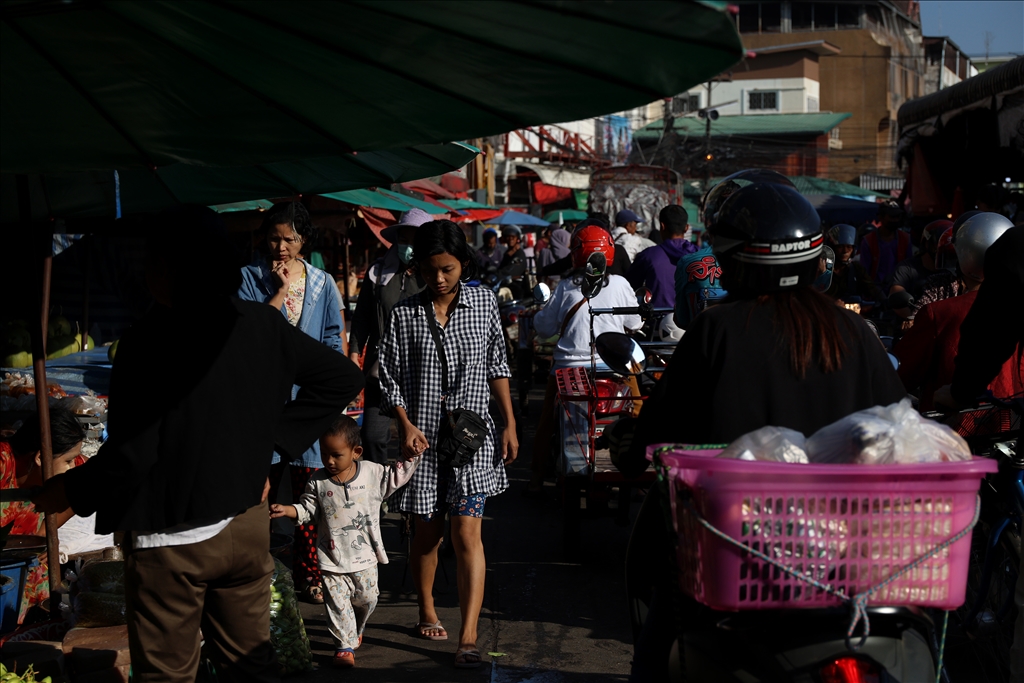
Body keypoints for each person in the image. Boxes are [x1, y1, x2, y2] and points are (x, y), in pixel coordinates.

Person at [33, 206, 363, 683]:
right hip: (246, 526)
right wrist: (270, 442)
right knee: (251, 669)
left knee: (169, 676)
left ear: (168, 268)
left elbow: (134, 453)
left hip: (172, 540)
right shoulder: (261, 325)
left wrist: (68, 492)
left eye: (149, 261)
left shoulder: (149, 342)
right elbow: (341, 378)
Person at [623, 182, 905, 682]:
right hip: (845, 560)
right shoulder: (856, 333)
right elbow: (895, 432)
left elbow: (657, 431)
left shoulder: (716, 330)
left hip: (735, 550)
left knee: (655, 647)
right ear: (817, 257)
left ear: (734, 261)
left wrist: (629, 448)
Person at [378, 219, 517, 669]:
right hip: (423, 443)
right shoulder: (405, 313)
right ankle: (426, 608)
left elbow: (498, 362)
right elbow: (387, 374)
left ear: (464, 264)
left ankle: (470, 635)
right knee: (427, 534)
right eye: (431, 270)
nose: (438, 278)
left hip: (472, 440)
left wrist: (510, 422)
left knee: (467, 532)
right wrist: (404, 424)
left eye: (448, 269)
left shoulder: (483, 304)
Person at [237, 200, 347, 604]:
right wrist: (280, 291)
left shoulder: (322, 282)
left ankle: (309, 575)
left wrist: (327, 393)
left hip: (308, 402)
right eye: (274, 238)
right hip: (266, 398)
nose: (281, 247)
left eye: (290, 239)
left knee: (309, 495)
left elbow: (334, 339)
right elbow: (252, 330)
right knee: (261, 489)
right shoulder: (251, 278)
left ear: (303, 241)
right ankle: (255, 576)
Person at [270, 414, 419, 668]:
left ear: (356, 451)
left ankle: (355, 629)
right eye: (325, 453)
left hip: (365, 558)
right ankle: (344, 646)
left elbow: (397, 475)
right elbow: (308, 509)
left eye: (336, 455)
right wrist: (289, 510)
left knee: (368, 599)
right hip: (332, 559)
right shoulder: (318, 481)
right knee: (337, 605)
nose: (329, 460)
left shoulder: (372, 473)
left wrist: (412, 455)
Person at [525, 222, 642, 496]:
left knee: (547, 423)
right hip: (614, 368)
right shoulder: (621, 283)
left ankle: (536, 479)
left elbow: (543, 328)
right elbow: (635, 323)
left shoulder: (566, 286)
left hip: (568, 369)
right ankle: (637, 470)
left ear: (576, 252)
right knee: (638, 411)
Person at [893, 213, 1019, 409]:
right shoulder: (1015, 305)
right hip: (1010, 422)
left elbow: (899, 377)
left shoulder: (939, 313)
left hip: (953, 428)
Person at [349, 208, 433, 466]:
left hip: (422, 371)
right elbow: (362, 317)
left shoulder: (434, 275)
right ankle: (379, 495)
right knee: (372, 436)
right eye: (403, 240)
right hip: (380, 370)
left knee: (418, 439)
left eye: (414, 241)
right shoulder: (379, 272)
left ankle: (413, 494)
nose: (407, 247)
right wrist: (354, 354)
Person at [1, 406, 85, 624]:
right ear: (40, 457)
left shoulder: (70, 469)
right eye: (67, 461)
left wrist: (40, 537)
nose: (72, 466)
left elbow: (83, 488)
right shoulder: (2, 463)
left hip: (21, 564)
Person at [626, 204, 698, 309]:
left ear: (662, 226)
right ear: (686, 228)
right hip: (694, 321)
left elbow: (628, 288)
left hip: (658, 321)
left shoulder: (648, 255)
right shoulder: (701, 254)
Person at [890, 219, 951, 300]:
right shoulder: (906, 269)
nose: (945, 250)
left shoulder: (954, 271)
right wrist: (912, 313)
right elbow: (896, 297)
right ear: (927, 244)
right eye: (939, 246)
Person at [858, 200, 910, 292]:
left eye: (897, 216)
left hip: (900, 289)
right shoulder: (868, 241)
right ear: (881, 217)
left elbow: (909, 268)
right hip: (875, 292)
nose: (895, 220)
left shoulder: (905, 239)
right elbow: (864, 272)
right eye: (891, 217)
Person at [824, 223, 883, 304]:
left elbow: (872, 288)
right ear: (832, 247)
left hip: (852, 313)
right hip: (826, 312)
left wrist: (886, 301)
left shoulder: (856, 269)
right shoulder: (822, 268)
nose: (845, 251)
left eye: (849, 247)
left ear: (853, 249)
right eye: (840, 247)